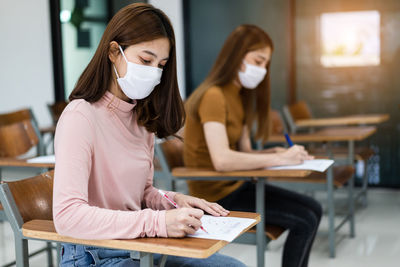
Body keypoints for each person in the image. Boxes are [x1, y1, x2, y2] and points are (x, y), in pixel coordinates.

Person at [53, 3, 245, 267]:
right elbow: (68, 216)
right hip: (92, 253)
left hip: (135, 244)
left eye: (161, 65)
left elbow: (141, 193)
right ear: (113, 52)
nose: (154, 72)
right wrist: (157, 222)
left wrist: (173, 201)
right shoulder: (80, 116)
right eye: (146, 60)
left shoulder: (141, 119)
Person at [184, 24, 322, 267]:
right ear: (237, 54)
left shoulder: (239, 97)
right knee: (305, 220)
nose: (261, 70)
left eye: (265, 64)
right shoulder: (213, 95)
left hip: (237, 185)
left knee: (315, 208)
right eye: (258, 61)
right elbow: (222, 159)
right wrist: (281, 160)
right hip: (216, 197)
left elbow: (245, 152)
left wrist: (276, 152)